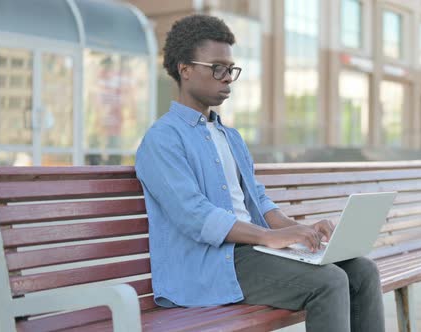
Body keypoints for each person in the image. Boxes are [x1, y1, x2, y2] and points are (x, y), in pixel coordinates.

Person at [135, 15, 385, 332]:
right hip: (214, 265)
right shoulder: (163, 139)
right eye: (217, 69)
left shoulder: (230, 137)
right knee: (329, 281)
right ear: (185, 69)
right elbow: (194, 216)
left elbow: (259, 201)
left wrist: (299, 230)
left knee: (362, 270)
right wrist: (270, 237)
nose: (227, 78)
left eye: (230, 70)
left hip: (253, 253)